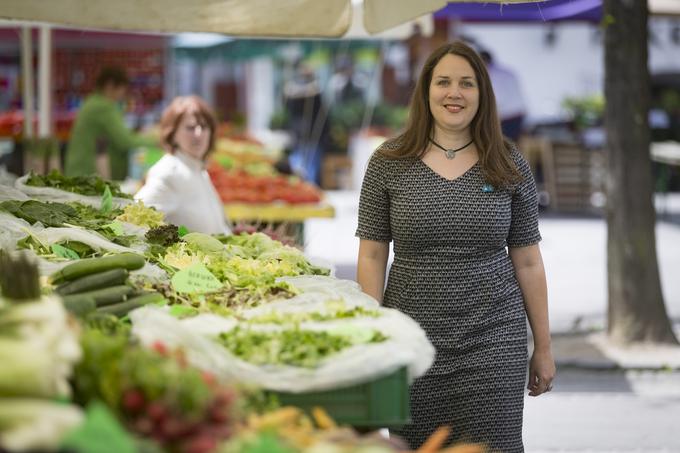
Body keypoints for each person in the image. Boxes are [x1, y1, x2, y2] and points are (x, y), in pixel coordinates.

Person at [355, 41, 554, 451]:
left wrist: (544, 348)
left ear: (482, 94)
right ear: (426, 90)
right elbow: (372, 254)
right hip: (411, 339)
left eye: (467, 83)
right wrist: (370, 337)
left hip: (494, 339)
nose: (454, 93)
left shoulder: (508, 161)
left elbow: (529, 262)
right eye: (443, 82)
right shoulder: (388, 161)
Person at [135, 96, 231, 235]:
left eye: (204, 127)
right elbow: (132, 220)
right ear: (172, 134)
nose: (198, 134)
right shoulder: (169, 173)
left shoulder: (198, 169)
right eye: (190, 128)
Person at [64, 66, 155, 180]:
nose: (123, 94)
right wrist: (159, 140)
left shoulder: (93, 101)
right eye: (122, 89)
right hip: (88, 175)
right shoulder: (103, 107)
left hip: (80, 172)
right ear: (110, 85)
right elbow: (125, 141)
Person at [480, 49, 527, 142]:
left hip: (507, 116)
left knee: (502, 146)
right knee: (511, 145)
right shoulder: (506, 71)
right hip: (518, 114)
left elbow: (497, 99)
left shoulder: (492, 75)